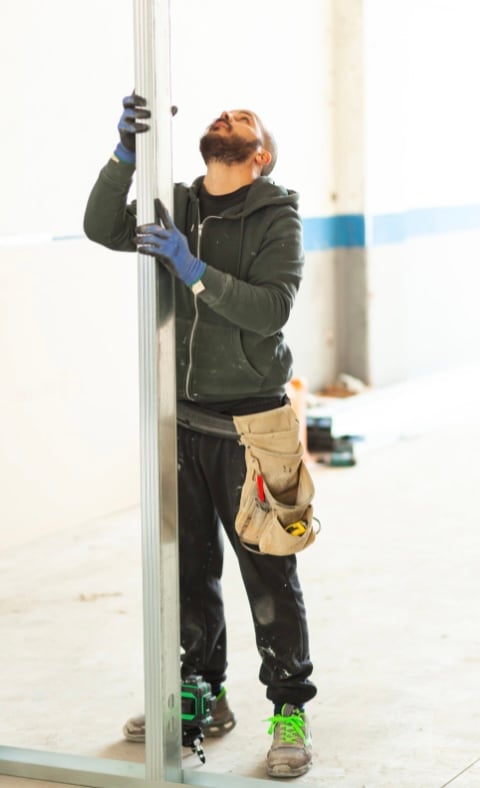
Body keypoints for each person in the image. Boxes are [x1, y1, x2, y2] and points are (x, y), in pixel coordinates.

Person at [83, 93, 316, 779]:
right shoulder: (175, 203)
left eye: (241, 122)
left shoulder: (278, 216)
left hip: (253, 427)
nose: (224, 120)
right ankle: (200, 692)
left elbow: (272, 309)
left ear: (259, 154)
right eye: (220, 118)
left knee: (269, 573)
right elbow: (100, 226)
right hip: (181, 420)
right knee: (187, 571)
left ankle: (289, 710)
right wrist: (125, 157)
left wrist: (195, 272)